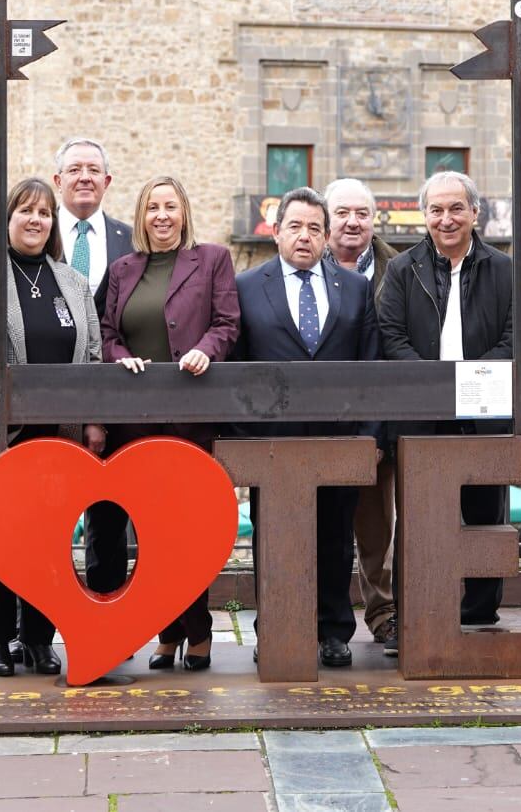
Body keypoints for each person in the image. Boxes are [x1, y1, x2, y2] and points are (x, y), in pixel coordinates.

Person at [93, 175, 240, 670]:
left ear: (183, 213)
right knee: (148, 534)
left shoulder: (213, 259)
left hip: (190, 421)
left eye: (170, 207)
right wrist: (120, 358)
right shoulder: (122, 269)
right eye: (153, 207)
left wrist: (205, 350)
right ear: (141, 215)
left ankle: (194, 631)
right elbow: (108, 333)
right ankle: (169, 632)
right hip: (134, 425)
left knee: (184, 533)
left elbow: (227, 324)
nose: (161, 216)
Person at [231, 186, 381, 669]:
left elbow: (372, 363)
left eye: (315, 228)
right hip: (272, 445)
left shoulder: (354, 287)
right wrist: (243, 441)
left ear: (327, 235)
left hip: (338, 441)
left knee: (336, 540)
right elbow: (237, 364)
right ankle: (273, 627)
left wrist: (371, 435)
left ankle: (334, 630)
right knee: (273, 540)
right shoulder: (248, 286)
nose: (305, 236)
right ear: (276, 233)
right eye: (295, 226)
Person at [375, 169, 515, 650]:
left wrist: (470, 385)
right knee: (418, 522)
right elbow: (390, 337)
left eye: (456, 208)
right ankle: (413, 616)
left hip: (484, 414)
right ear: (425, 214)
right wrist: (436, 387)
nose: (446, 218)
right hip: (422, 417)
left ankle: (478, 617)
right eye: (436, 209)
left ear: (475, 213)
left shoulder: (505, 270)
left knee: (483, 518)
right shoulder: (402, 269)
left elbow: (514, 338)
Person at [0, 176, 101, 678]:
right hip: (1, 434)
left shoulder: (73, 282)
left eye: (44, 213)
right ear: (8, 220)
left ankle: (39, 639)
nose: (34, 220)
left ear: (53, 224)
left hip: (59, 436)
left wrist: (92, 421)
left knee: (51, 540)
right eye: (25, 211)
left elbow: (91, 357)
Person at [322, 177, 401, 652]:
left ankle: (385, 613)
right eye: (342, 213)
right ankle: (312, 619)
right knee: (320, 527)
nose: (353, 222)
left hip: (379, 422)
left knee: (378, 529)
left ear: (375, 219)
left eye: (362, 213)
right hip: (319, 423)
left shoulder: (403, 268)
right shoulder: (299, 263)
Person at [53, 137, 134, 310]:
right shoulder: (39, 233)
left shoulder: (132, 240)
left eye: (94, 170)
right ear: (58, 181)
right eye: (74, 170)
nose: (84, 178)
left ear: (106, 182)